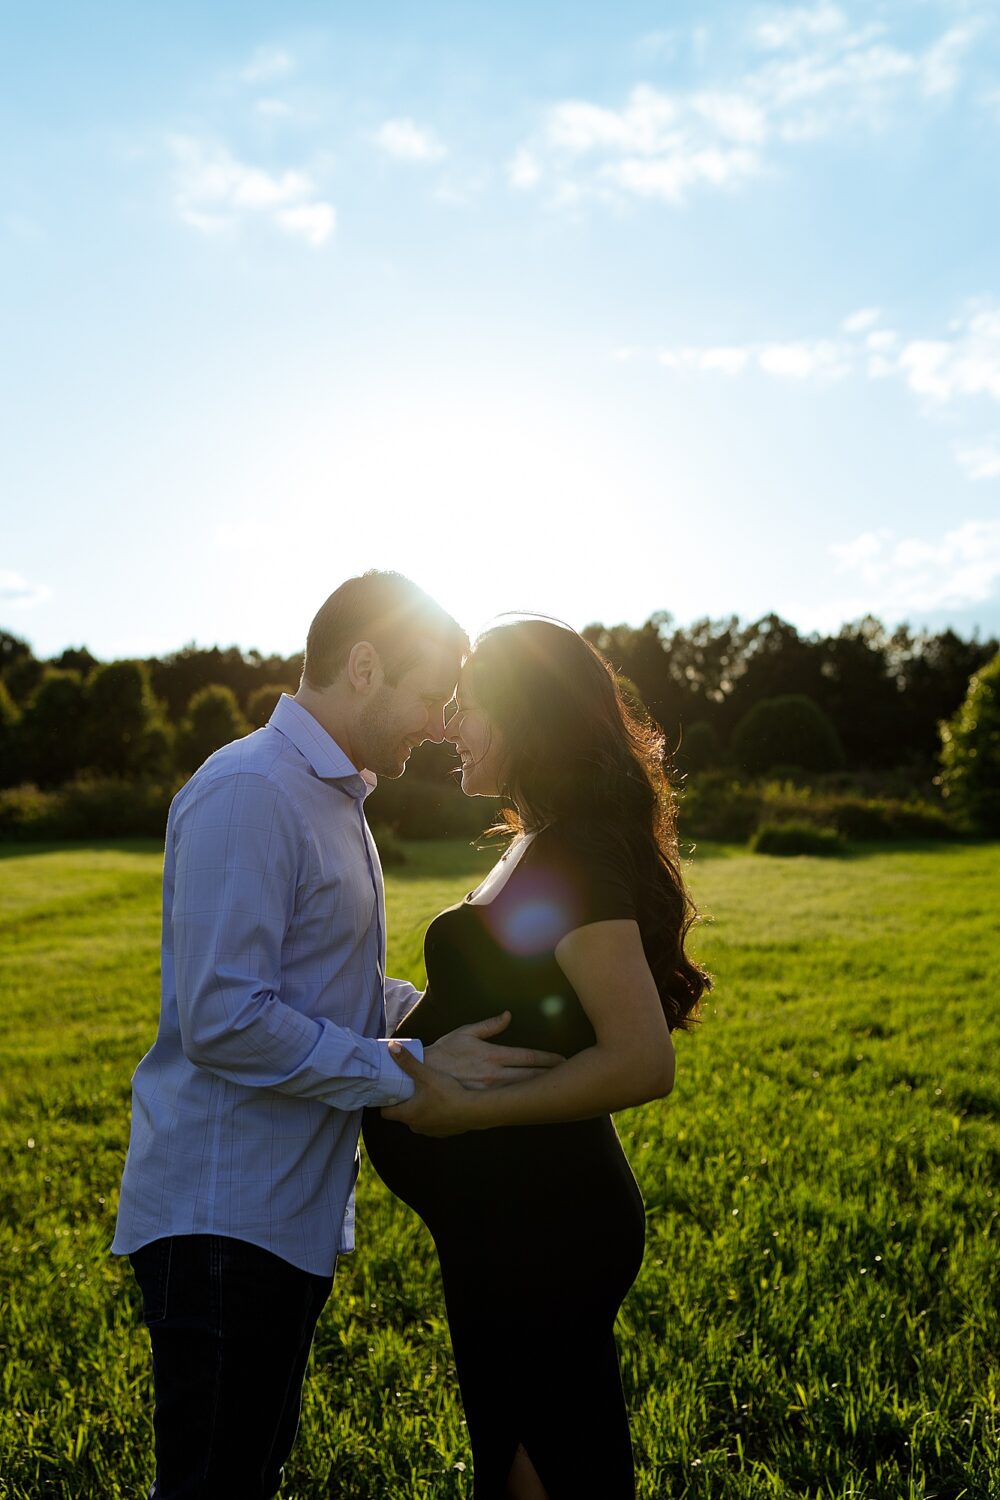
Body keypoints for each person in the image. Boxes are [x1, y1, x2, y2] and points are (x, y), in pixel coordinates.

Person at [111, 573, 563, 1500]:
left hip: (280, 1224)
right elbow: (224, 1017)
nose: (438, 725)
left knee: (244, 1473)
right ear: (364, 664)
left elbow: (328, 986)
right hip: (222, 1223)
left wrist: (439, 1013)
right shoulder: (250, 791)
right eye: (430, 697)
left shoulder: (331, 799)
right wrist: (412, 1070)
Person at [362, 617, 710, 1500]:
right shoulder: (535, 841)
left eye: (467, 705)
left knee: (551, 1469)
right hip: (505, 1226)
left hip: (546, 1227)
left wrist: (464, 1109)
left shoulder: (575, 854)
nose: (449, 724)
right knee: (522, 1461)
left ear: (524, 718)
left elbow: (641, 1060)